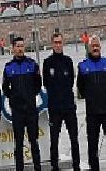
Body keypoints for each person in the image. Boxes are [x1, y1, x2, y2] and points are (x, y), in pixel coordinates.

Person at [77, 36, 106, 171]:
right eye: (92, 46)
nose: (95, 48)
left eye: (97, 45)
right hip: (92, 113)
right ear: (89, 48)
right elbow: (81, 88)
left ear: (100, 47)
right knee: (92, 144)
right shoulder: (83, 66)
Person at [2, 36, 42, 171]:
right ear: (13, 48)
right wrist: (13, 99)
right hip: (17, 111)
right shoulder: (8, 68)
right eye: (17, 46)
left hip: (31, 110)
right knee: (18, 143)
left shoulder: (32, 64)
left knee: (34, 142)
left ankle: (38, 167)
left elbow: (38, 84)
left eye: (22, 46)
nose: (20, 48)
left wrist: (30, 96)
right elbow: (5, 88)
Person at [43, 32, 80, 171]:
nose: (58, 45)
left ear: (63, 43)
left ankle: (76, 165)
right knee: (54, 140)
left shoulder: (68, 61)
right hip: (54, 108)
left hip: (69, 107)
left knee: (74, 139)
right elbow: (46, 83)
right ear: (52, 44)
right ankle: (54, 166)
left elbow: (71, 81)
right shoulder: (47, 63)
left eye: (60, 42)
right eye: (56, 42)